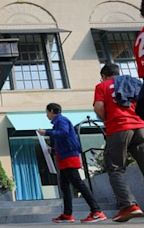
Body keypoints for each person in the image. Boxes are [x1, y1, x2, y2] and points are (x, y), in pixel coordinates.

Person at [38, 103, 107, 223]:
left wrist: (47, 132)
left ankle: (97, 211)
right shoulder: (58, 122)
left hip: (69, 156)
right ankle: (67, 214)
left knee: (78, 184)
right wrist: (53, 150)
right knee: (65, 186)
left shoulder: (61, 120)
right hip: (65, 156)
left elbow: (64, 133)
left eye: (47, 112)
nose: (46, 115)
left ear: (52, 111)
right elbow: (65, 139)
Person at [93, 63, 144, 222]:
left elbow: (99, 107)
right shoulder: (134, 82)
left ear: (104, 76)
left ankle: (128, 206)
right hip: (141, 126)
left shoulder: (102, 86)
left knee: (115, 167)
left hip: (119, 127)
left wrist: (106, 121)